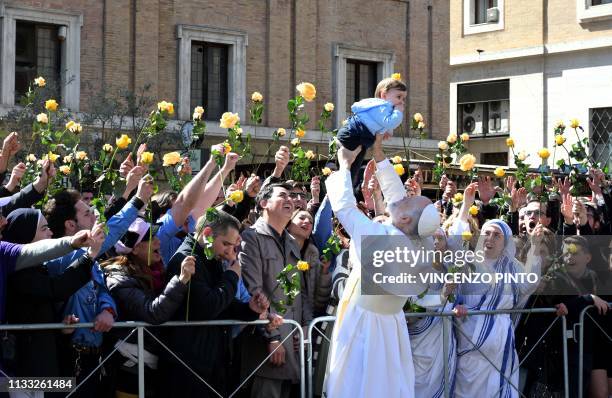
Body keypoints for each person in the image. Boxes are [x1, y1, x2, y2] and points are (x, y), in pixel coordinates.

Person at [323, 134, 440, 398]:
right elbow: (396, 197)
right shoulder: (420, 241)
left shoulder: (388, 241)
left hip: (365, 324)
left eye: (408, 201)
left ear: (406, 217)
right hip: (390, 325)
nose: (402, 197)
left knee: (358, 385)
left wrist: (343, 166)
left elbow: (345, 210)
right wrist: (378, 152)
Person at [164, 210, 272, 397]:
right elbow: (209, 307)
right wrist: (232, 275)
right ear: (206, 234)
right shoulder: (186, 260)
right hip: (188, 363)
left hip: (209, 358)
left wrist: (249, 309)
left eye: (233, 246)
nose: (230, 252)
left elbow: (223, 304)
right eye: (226, 244)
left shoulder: (209, 256)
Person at [452, 188, 544, 398]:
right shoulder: (467, 263)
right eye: (487, 233)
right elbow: (453, 247)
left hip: (501, 341)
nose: (490, 239)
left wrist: (535, 248)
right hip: (469, 339)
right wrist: (465, 207)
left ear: (505, 243)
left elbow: (529, 284)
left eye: (497, 235)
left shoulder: (512, 267)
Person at [4, 209, 105, 379]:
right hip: (24, 371)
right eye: (44, 229)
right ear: (26, 236)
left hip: (43, 364)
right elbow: (56, 289)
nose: (50, 233)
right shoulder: (19, 275)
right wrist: (90, 256)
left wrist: (62, 328)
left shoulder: (36, 268)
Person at [102, 217, 196, 396]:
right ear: (136, 248)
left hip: (154, 359)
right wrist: (181, 280)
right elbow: (153, 313)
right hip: (129, 363)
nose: (159, 241)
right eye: (151, 238)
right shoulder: (118, 277)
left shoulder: (157, 270)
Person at [239, 182, 312, 398]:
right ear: (264, 203)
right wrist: (272, 337)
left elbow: (301, 291)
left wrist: (306, 326)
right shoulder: (251, 237)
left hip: (293, 341)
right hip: (267, 346)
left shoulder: (291, 241)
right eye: (283, 195)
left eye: (292, 196)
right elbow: (254, 292)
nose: (290, 200)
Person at [335, 76, 406, 186]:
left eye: (403, 99)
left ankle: (340, 195)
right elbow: (390, 122)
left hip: (357, 137)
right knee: (347, 175)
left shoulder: (380, 107)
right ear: (384, 95)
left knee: (350, 175)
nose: (401, 102)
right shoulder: (382, 106)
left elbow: (381, 124)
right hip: (354, 135)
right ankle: (337, 196)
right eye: (399, 97)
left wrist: (386, 131)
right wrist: (398, 112)